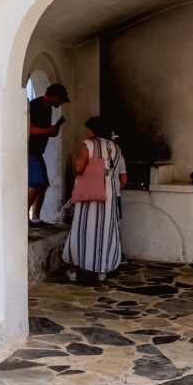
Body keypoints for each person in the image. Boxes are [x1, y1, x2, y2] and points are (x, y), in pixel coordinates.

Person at [64, 116, 125, 282]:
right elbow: (122, 178)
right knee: (105, 230)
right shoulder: (116, 148)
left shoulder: (88, 145)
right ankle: (102, 270)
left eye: (88, 128)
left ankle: (74, 270)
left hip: (89, 193)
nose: (86, 131)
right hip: (109, 194)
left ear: (93, 129)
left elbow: (78, 167)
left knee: (82, 228)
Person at [27, 83, 69, 227]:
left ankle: (35, 218)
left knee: (43, 184)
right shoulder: (35, 105)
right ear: (54, 96)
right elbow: (29, 130)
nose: (61, 103)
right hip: (30, 151)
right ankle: (21, 217)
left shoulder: (48, 108)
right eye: (61, 99)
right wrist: (48, 131)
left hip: (38, 151)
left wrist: (52, 132)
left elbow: (42, 130)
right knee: (38, 182)